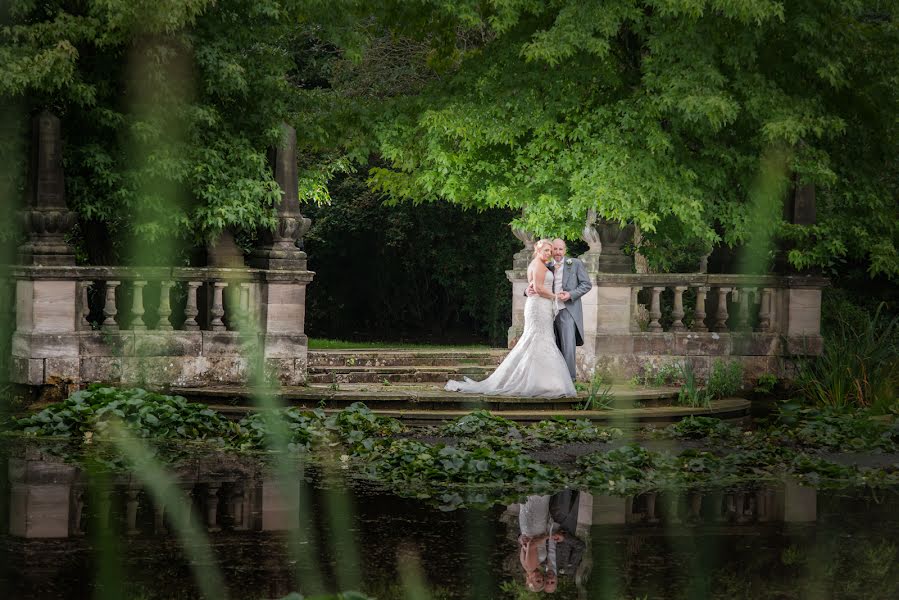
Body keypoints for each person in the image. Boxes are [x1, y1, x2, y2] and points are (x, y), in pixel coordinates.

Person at [445, 239, 576, 398]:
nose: (549, 253)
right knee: (540, 340)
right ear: (538, 250)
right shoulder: (538, 265)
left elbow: (534, 287)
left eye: (551, 250)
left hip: (541, 306)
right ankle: (543, 383)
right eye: (546, 251)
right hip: (539, 307)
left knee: (538, 341)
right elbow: (539, 288)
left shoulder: (541, 264)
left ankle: (542, 381)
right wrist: (556, 296)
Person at [527, 239, 592, 382]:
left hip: (566, 310)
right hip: (548, 312)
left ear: (565, 250)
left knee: (568, 347)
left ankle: (570, 381)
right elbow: (537, 283)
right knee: (552, 346)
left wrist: (570, 294)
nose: (556, 252)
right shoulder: (546, 264)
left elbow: (587, 284)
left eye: (560, 249)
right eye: (554, 249)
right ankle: (553, 380)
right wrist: (527, 290)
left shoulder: (575, 264)